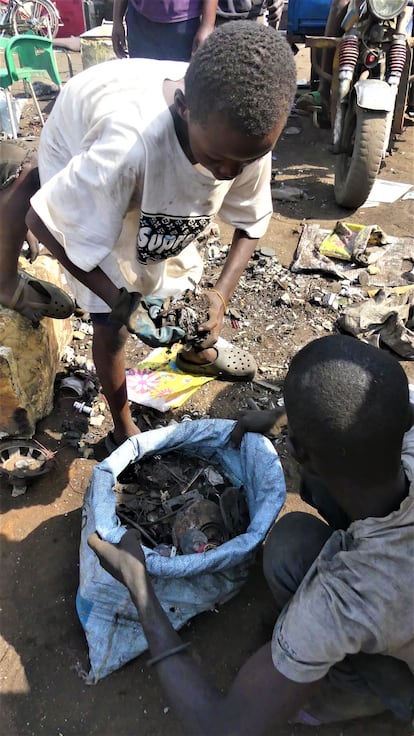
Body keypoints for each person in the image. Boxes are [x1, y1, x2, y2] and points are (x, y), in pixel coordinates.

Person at [88, 334, 414, 733]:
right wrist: (285, 418)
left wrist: (140, 587)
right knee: (290, 541)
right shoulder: (402, 421)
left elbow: (221, 726)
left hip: (396, 610)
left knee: (291, 551)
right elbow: (375, 410)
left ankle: (358, 693)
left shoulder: (348, 596)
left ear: (297, 451)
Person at [0, 22, 297, 450]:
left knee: (170, 270)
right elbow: (41, 220)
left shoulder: (241, 134)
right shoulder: (125, 147)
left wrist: (219, 296)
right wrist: (120, 303)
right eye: (219, 160)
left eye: (246, 161)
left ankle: (195, 350)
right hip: (83, 130)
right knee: (109, 319)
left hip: (148, 159)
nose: (232, 174)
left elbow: (250, 223)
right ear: (183, 108)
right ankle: (122, 426)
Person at [112, 0, 218, 61]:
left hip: (183, 27)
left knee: (177, 89)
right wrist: (117, 19)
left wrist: (207, 25)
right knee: (142, 85)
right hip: (139, 23)